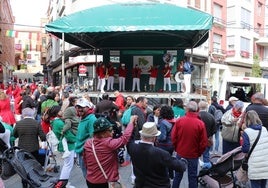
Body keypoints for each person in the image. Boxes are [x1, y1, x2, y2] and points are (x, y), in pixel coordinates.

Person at [127, 122, 187, 188]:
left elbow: (128, 139)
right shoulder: (161, 153)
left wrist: (132, 125)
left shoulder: (132, 148)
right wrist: (183, 161)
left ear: (141, 135)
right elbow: (180, 167)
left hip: (140, 185)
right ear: (154, 138)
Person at [83, 115, 137, 188]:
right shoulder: (108, 143)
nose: (113, 131)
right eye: (110, 129)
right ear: (102, 133)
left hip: (90, 181)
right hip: (104, 182)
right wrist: (131, 122)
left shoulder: (88, 143)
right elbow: (125, 138)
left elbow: (85, 162)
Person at [171, 101, 207, 188]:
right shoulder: (200, 124)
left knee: (178, 176)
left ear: (187, 109)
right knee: (192, 177)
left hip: (181, 152)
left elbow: (173, 137)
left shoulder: (180, 121)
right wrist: (198, 153)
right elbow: (203, 142)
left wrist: (177, 148)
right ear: (197, 110)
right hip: (193, 155)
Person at [13, 107, 46, 188]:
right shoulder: (36, 123)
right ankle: (33, 183)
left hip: (22, 149)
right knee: (33, 166)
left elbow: (15, 135)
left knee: (23, 167)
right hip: (34, 148)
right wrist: (43, 144)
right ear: (32, 114)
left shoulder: (18, 123)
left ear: (23, 114)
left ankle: (24, 183)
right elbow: (43, 137)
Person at [49, 105, 77, 188]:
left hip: (63, 145)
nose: (62, 111)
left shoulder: (55, 122)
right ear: (57, 112)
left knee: (66, 165)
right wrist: (76, 139)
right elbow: (67, 134)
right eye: (60, 110)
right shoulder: (59, 122)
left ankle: (63, 183)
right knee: (68, 165)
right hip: (67, 146)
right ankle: (63, 184)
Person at [241, 110, 268, 188]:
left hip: (255, 164)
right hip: (265, 162)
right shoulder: (264, 129)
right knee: (263, 185)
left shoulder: (247, 132)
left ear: (247, 119)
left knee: (255, 185)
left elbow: (245, 149)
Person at [75, 97, 96, 178]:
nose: (79, 109)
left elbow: (94, 138)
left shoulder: (91, 119)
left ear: (88, 107)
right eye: (78, 107)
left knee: (89, 177)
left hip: (86, 153)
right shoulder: (83, 118)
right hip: (81, 152)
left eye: (82, 107)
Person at [157, 105, 176, 179]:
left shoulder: (163, 122)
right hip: (172, 145)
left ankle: (164, 177)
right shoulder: (174, 121)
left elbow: (163, 137)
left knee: (163, 162)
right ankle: (171, 176)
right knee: (169, 160)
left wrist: (157, 137)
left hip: (164, 146)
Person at [198, 101, 217, 169]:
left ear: (199, 107)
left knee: (195, 156)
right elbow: (214, 130)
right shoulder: (211, 116)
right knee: (206, 155)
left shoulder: (197, 116)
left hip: (197, 139)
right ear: (206, 107)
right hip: (207, 139)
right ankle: (206, 171)